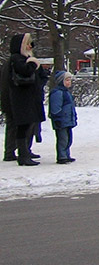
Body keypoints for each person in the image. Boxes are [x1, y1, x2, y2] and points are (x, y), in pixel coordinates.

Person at [8, 33, 50, 166]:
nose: (30, 46)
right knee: (23, 126)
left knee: (28, 125)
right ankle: (23, 154)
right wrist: (33, 64)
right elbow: (25, 72)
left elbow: (40, 76)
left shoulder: (25, 58)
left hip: (29, 98)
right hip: (23, 99)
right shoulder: (17, 59)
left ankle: (25, 151)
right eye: (28, 43)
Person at [48, 70, 78, 164]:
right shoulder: (58, 93)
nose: (69, 82)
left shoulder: (66, 92)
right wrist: (57, 118)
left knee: (68, 139)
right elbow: (55, 107)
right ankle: (62, 156)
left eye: (70, 80)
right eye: (67, 80)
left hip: (67, 120)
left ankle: (66, 154)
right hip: (61, 120)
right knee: (62, 139)